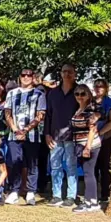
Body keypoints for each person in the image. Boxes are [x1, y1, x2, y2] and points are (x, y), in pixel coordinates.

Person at [4, 68, 47, 206]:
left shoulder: (39, 94)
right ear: (19, 77)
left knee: (32, 163)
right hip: (14, 134)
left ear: (33, 77)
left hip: (32, 135)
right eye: (23, 75)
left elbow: (40, 115)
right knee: (15, 162)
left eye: (29, 75)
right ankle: (14, 190)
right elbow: (7, 113)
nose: (26, 77)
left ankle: (31, 191)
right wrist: (16, 130)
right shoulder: (11, 93)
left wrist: (26, 130)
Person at [45, 63, 80, 208]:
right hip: (55, 136)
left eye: (70, 72)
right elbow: (48, 115)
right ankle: (56, 195)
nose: (67, 74)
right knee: (55, 166)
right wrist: (47, 134)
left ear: (74, 74)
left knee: (71, 166)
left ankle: (71, 196)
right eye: (64, 72)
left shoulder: (79, 91)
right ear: (60, 74)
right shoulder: (53, 93)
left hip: (72, 136)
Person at [71, 83, 103, 213]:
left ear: (89, 95)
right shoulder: (79, 108)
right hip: (80, 144)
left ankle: (90, 202)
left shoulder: (91, 110)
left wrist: (87, 148)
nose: (80, 96)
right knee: (88, 173)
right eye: (77, 94)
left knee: (88, 173)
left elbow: (92, 129)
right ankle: (92, 200)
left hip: (90, 145)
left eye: (83, 94)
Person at [93, 78, 111, 204]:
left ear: (106, 88)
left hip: (105, 139)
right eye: (96, 86)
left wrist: (100, 133)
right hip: (90, 139)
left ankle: (104, 194)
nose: (98, 88)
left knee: (104, 166)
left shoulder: (110, 103)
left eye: (101, 86)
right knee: (92, 166)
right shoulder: (90, 101)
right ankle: (91, 193)